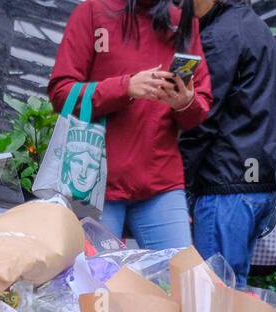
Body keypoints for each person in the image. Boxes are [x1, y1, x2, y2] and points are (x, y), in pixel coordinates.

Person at [48, 0, 212, 251]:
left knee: (182, 282)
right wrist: (125, 87)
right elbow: (61, 94)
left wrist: (184, 102)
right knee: (95, 284)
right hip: (93, 181)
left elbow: (199, 107)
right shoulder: (93, 11)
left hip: (161, 182)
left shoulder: (183, 21)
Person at [179, 0, 276, 283]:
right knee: (231, 290)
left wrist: (179, 185)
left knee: (214, 296)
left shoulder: (220, 35)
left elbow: (202, 118)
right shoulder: (258, 28)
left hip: (225, 186)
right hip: (257, 183)